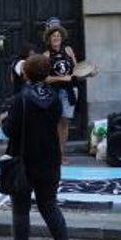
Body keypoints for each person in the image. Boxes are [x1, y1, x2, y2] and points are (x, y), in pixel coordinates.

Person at [0, 53, 79, 240]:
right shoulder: (54, 98)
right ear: (47, 74)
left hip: (23, 161)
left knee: (21, 212)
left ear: (26, 74)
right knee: (50, 206)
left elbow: (9, 131)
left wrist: (3, 120)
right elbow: (53, 122)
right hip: (49, 160)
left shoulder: (20, 99)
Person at [43, 19, 78, 165]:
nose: (56, 38)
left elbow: (76, 69)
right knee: (53, 123)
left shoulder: (68, 50)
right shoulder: (46, 55)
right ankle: (53, 154)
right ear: (49, 39)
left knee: (65, 123)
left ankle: (61, 154)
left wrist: (88, 72)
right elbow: (45, 78)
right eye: (53, 36)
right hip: (54, 92)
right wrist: (62, 78)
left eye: (58, 35)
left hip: (69, 91)